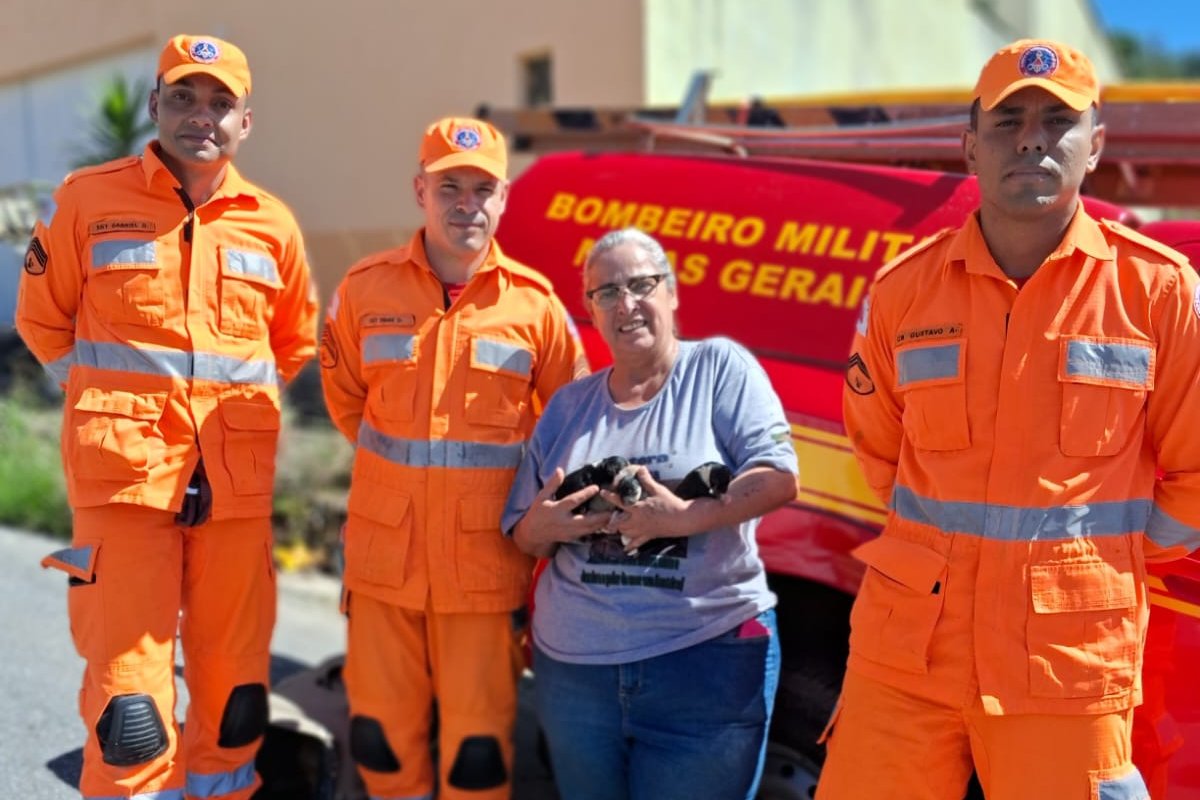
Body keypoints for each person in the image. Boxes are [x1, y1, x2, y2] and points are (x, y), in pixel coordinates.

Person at [821, 39, 1200, 800]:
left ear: (1096, 146)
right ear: (970, 147)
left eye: (1057, 121)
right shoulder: (903, 291)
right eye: (1006, 121)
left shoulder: (1160, 294)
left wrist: (1104, 565)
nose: (1031, 139)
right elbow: (879, 450)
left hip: (1067, 665)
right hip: (907, 658)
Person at [15, 34, 317, 800]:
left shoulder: (273, 224)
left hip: (235, 493)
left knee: (236, 696)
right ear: (155, 105)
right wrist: (104, 406)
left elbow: (292, 343)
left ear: (246, 121)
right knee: (130, 708)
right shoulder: (87, 200)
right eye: (183, 97)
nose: (200, 116)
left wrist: (232, 426)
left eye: (220, 102)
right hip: (123, 485)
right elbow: (42, 320)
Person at [319, 115, 587, 800]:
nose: (466, 204)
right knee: (379, 741)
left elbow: (569, 428)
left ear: (504, 198)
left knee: (478, 757)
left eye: (482, 189)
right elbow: (349, 406)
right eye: (449, 188)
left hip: (483, 573)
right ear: (420, 191)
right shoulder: (364, 290)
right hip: (384, 567)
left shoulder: (536, 308)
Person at [501, 227, 799, 800]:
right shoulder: (568, 406)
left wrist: (680, 517)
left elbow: (779, 477)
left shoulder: (719, 368)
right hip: (575, 677)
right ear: (591, 309)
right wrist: (544, 527)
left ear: (672, 292)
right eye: (607, 292)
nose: (626, 304)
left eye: (641, 284)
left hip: (704, 664)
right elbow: (526, 535)